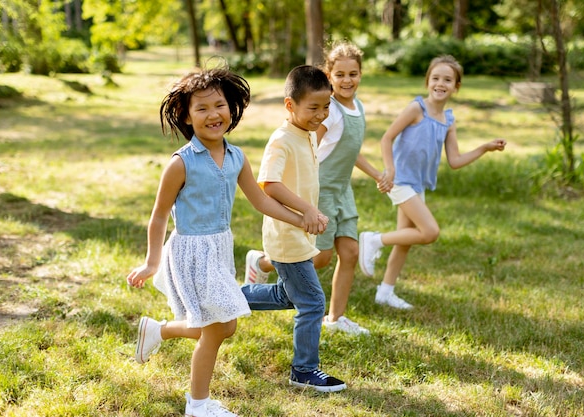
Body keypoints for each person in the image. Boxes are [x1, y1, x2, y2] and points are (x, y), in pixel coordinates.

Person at [126, 66, 321, 417]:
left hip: (219, 250)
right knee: (218, 328)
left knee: (222, 325)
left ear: (231, 108)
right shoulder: (180, 164)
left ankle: (160, 331)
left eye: (219, 105)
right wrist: (151, 262)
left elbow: (261, 201)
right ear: (186, 116)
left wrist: (301, 219)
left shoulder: (236, 157)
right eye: (201, 108)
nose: (213, 114)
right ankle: (197, 405)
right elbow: (158, 216)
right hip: (190, 252)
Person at [244, 41, 390, 336]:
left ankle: (335, 318)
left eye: (354, 74)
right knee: (321, 258)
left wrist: (376, 173)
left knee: (349, 251)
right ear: (329, 75)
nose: (347, 80)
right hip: (322, 190)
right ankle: (262, 262)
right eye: (340, 75)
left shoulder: (357, 107)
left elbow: (350, 151)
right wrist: (309, 200)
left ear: (361, 74)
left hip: (343, 190)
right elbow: (311, 144)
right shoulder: (328, 111)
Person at [358, 55, 507, 309]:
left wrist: (484, 148)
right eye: (435, 78)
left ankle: (385, 292)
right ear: (427, 81)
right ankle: (373, 239)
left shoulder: (448, 121)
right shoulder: (416, 108)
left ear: (456, 87)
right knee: (429, 232)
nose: (440, 83)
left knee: (405, 242)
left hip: (417, 185)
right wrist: (389, 170)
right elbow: (386, 138)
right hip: (400, 180)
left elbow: (455, 160)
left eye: (447, 80)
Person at [240, 65, 347, 393]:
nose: (321, 114)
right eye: (313, 107)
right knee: (313, 302)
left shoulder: (307, 132)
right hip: (286, 234)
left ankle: (225, 296)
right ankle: (303, 370)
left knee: (290, 295)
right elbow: (269, 185)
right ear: (290, 105)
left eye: (326, 106)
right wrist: (307, 210)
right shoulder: (282, 140)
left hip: (299, 232)